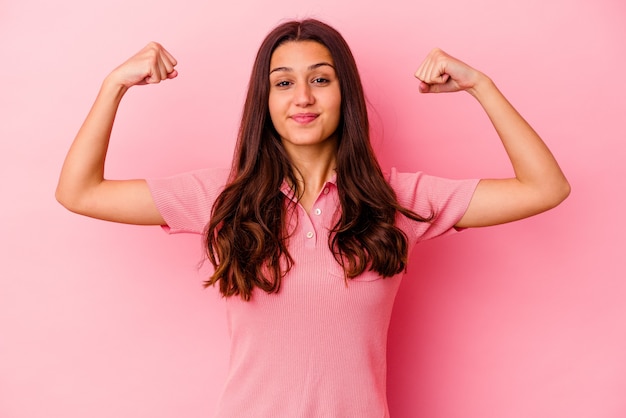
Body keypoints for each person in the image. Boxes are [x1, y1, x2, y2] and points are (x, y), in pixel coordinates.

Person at [56, 18, 569, 418]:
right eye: (283, 83)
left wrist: (481, 85)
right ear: (266, 100)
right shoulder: (222, 197)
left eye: (320, 79)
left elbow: (546, 188)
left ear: (343, 93)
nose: (302, 97)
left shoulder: (398, 199)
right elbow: (79, 192)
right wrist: (113, 85)